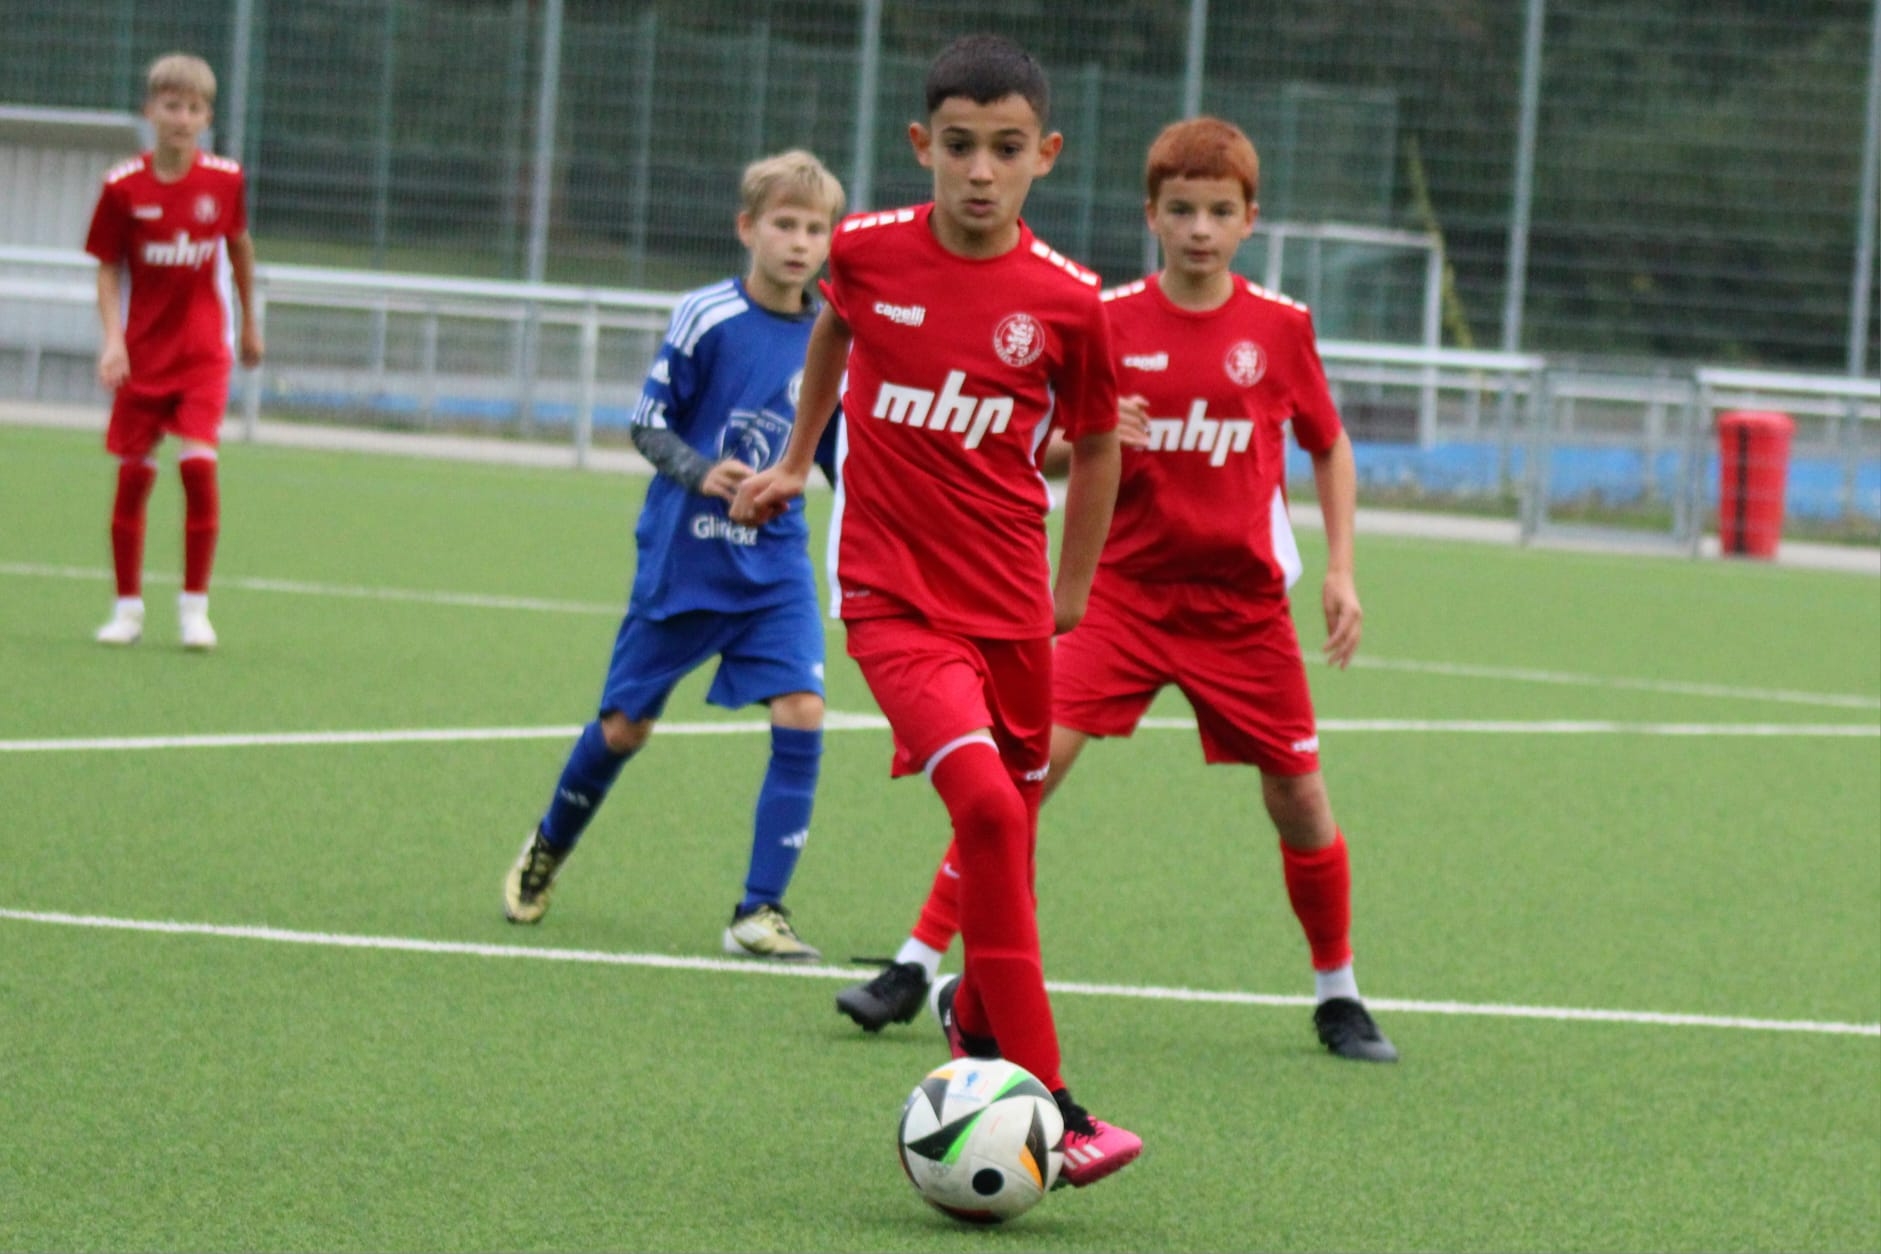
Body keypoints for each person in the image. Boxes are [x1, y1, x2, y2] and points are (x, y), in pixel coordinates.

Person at [835, 116, 1399, 1064]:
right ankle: (915, 963)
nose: (1198, 230)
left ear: (1249, 219)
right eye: (1180, 210)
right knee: (1020, 780)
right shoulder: (1104, 315)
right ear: (1151, 216)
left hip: (1240, 608)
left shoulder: (1279, 327)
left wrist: (1340, 569)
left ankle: (1337, 993)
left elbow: (1327, 443)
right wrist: (1096, 439)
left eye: (1218, 212)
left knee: (1299, 797)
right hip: (1121, 598)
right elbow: (1049, 447)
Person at [732, 34, 1143, 1188]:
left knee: (1009, 836)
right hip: (892, 599)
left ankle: (974, 1017)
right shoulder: (865, 253)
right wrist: (799, 456)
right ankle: (1056, 1106)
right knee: (994, 815)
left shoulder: (1069, 301)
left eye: (1006, 149)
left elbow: (1098, 444)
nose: (979, 170)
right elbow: (834, 329)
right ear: (922, 145)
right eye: (958, 146)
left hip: (1011, 611)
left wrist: (1071, 590)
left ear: (1045, 155)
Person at [503, 150, 846, 962]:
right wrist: (701, 472)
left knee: (802, 708)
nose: (800, 242)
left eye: (815, 228)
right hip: (685, 557)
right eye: (784, 224)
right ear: (747, 229)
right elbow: (647, 423)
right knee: (625, 728)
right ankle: (549, 843)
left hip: (774, 562)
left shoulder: (835, 333)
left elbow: (839, 453)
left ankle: (759, 911)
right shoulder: (705, 315)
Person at [86, 52, 263, 651]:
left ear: (206, 117)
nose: (182, 118)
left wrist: (249, 324)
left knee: (197, 467)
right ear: (150, 111)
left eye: (193, 108)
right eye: (171, 106)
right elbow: (107, 268)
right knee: (133, 478)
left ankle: (194, 610)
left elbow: (240, 250)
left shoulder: (225, 181)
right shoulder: (122, 187)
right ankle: (127, 610)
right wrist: (113, 341)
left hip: (203, 354)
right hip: (142, 356)